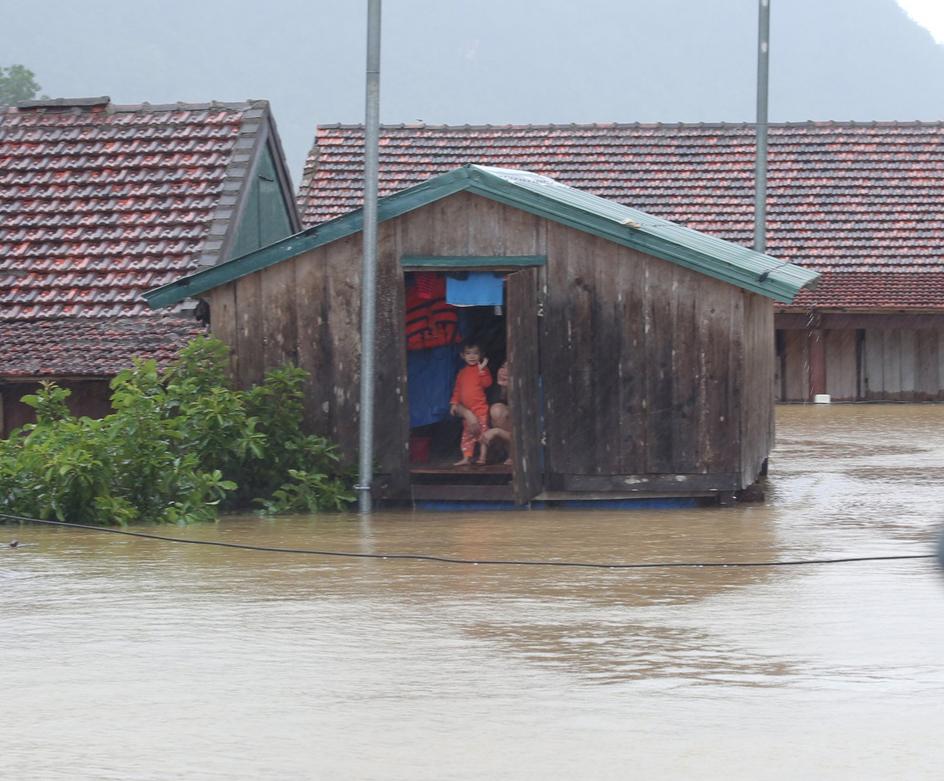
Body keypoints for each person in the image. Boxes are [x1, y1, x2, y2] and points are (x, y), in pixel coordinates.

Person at [449, 343, 492, 465]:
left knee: (482, 434)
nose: (472, 356)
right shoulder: (462, 373)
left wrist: (482, 370)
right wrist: (454, 403)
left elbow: (487, 383)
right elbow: (457, 390)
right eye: (468, 353)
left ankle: (483, 457)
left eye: (475, 353)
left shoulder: (482, 370)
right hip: (468, 410)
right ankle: (466, 458)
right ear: (462, 356)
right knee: (467, 435)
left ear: (480, 355)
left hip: (480, 409)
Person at [481, 361, 512, 465]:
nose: (504, 371)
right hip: (493, 441)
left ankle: (513, 455)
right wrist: (467, 413)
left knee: (497, 410)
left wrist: (497, 431)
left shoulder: (526, 394)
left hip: (520, 444)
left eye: (510, 368)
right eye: (502, 366)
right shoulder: (490, 388)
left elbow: (527, 435)